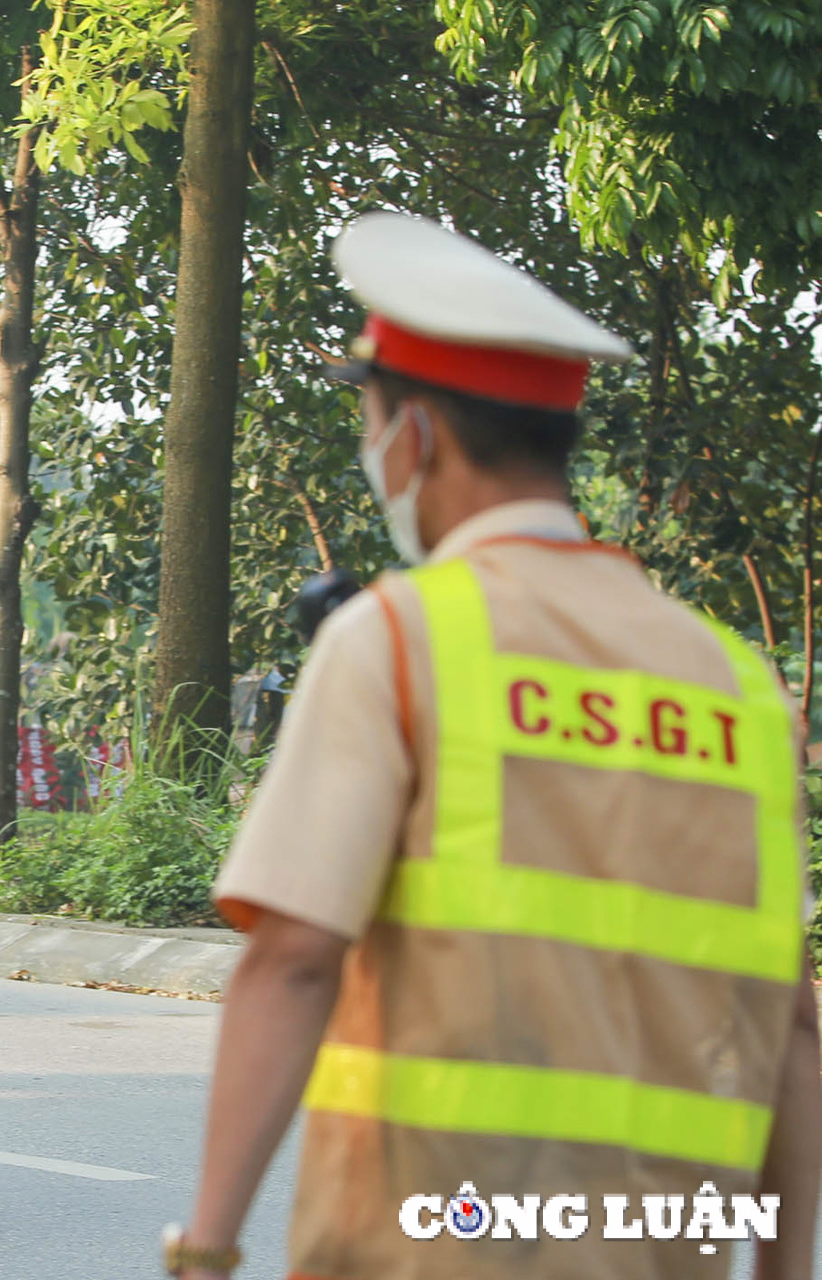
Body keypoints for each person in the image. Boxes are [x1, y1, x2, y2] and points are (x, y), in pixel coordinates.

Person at [160, 212, 822, 1280]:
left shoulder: (402, 641)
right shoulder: (740, 687)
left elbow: (292, 960)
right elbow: (793, 1024)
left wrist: (205, 1247)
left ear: (412, 433)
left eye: (371, 421)